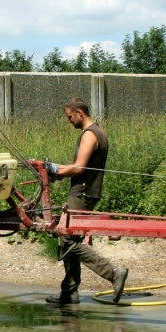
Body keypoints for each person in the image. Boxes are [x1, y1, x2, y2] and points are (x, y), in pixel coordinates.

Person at [44, 97, 129, 305]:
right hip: (87, 192)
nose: (69, 121)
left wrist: (55, 171)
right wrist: (55, 169)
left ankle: (113, 273)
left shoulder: (90, 135)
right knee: (70, 238)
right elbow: (79, 166)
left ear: (80, 113)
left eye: (70, 117)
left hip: (82, 193)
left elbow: (79, 168)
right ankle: (69, 292)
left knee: (68, 240)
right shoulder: (99, 131)